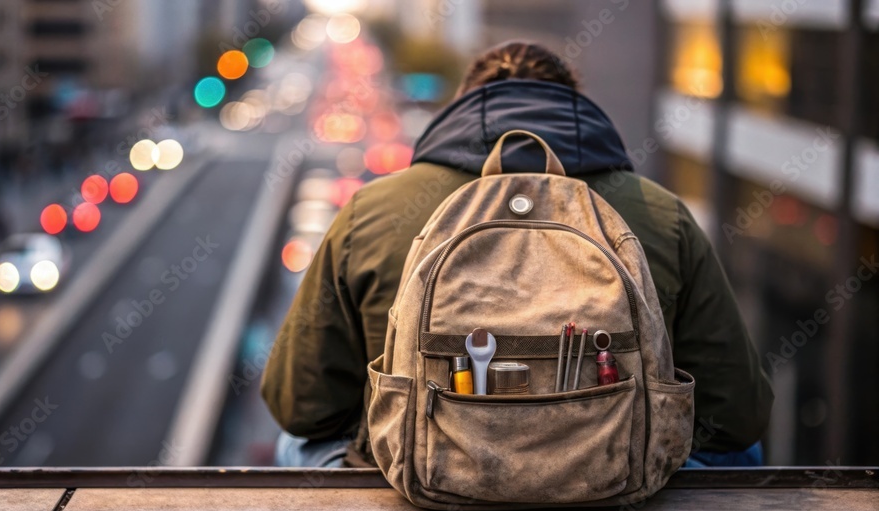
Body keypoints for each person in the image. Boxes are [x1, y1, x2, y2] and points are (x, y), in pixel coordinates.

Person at [262, 41, 774, 468]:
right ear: (575, 109)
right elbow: (737, 416)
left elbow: (301, 408)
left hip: (421, 480)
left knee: (301, 446)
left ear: (462, 106)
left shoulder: (372, 210)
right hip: (615, 482)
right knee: (744, 454)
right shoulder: (662, 214)